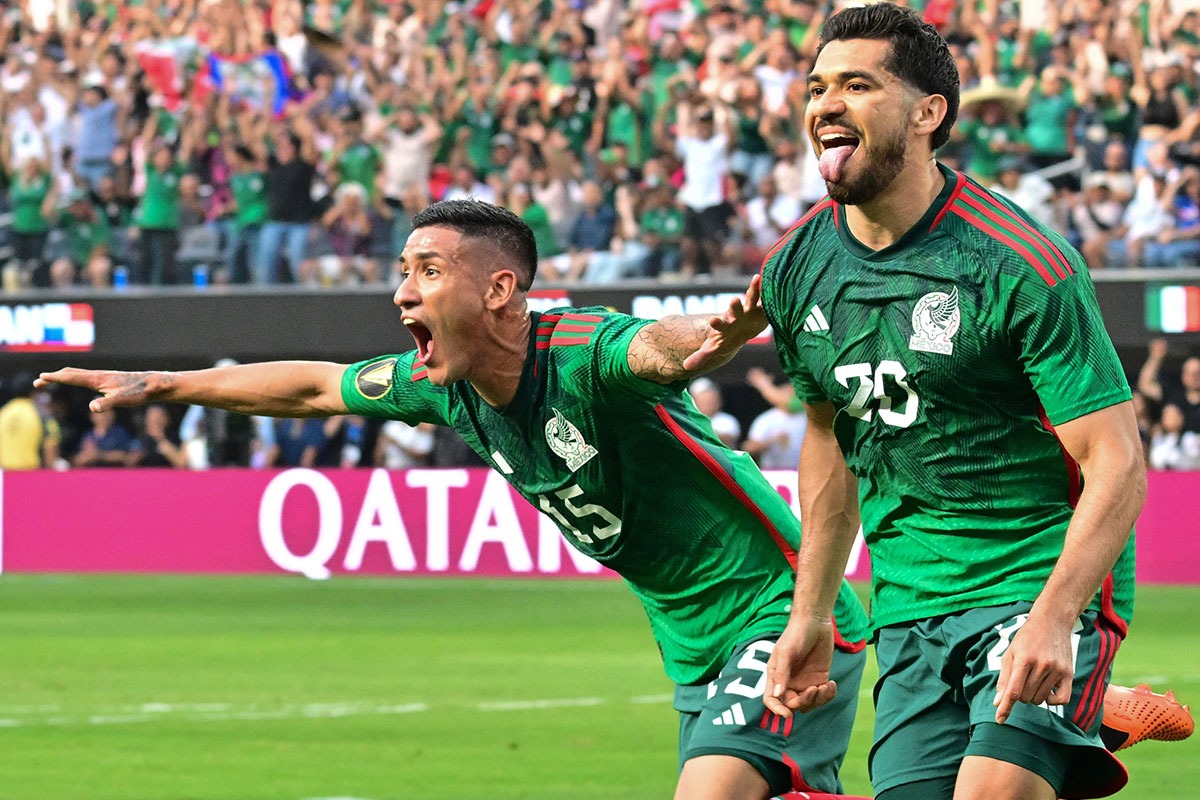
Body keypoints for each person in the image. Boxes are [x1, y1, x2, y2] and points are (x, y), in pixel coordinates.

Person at [36, 199, 872, 800]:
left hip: (785, 606)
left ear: (501, 291)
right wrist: (166, 383)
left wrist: (709, 338)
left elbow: (651, 349)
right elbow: (316, 389)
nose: (403, 291)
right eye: (404, 273)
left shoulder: (580, 352)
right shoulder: (442, 387)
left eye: (429, 271)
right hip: (692, 648)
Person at [688, 5, 1146, 800]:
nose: (826, 104)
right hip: (911, 606)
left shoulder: (1020, 263)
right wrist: (811, 615)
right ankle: (1097, 720)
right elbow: (831, 440)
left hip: (1032, 584)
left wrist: (1055, 616)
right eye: (817, 86)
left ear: (928, 113)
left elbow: (1118, 462)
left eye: (858, 84)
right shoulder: (798, 265)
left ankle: (1081, 695)